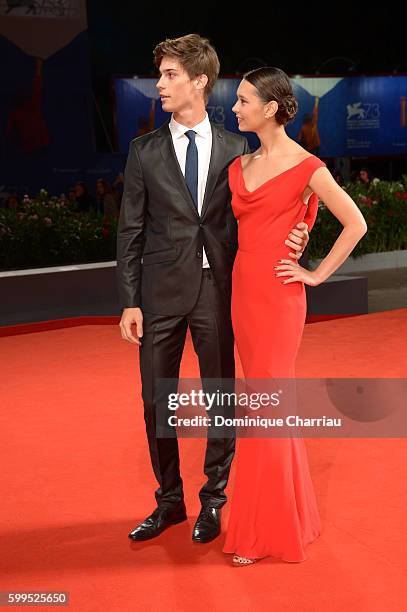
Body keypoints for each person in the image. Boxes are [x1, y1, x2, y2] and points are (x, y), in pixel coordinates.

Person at [116, 35, 310, 545]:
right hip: (158, 295)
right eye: (160, 75)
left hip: (220, 293)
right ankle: (169, 502)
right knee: (157, 402)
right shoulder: (144, 151)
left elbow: (266, 206)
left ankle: (213, 501)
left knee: (220, 397)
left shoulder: (236, 147)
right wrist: (130, 299)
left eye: (170, 75)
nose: (159, 84)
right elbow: (130, 231)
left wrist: (300, 232)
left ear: (199, 80)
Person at [224, 67, 367, 566]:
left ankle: (266, 531)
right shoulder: (237, 167)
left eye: (243, 100)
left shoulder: (308, 166)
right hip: (244, 295)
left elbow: (356, 222)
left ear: (270, 108)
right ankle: (287, 517)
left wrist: (316, 274)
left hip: (281, 297)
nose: (235, 108)